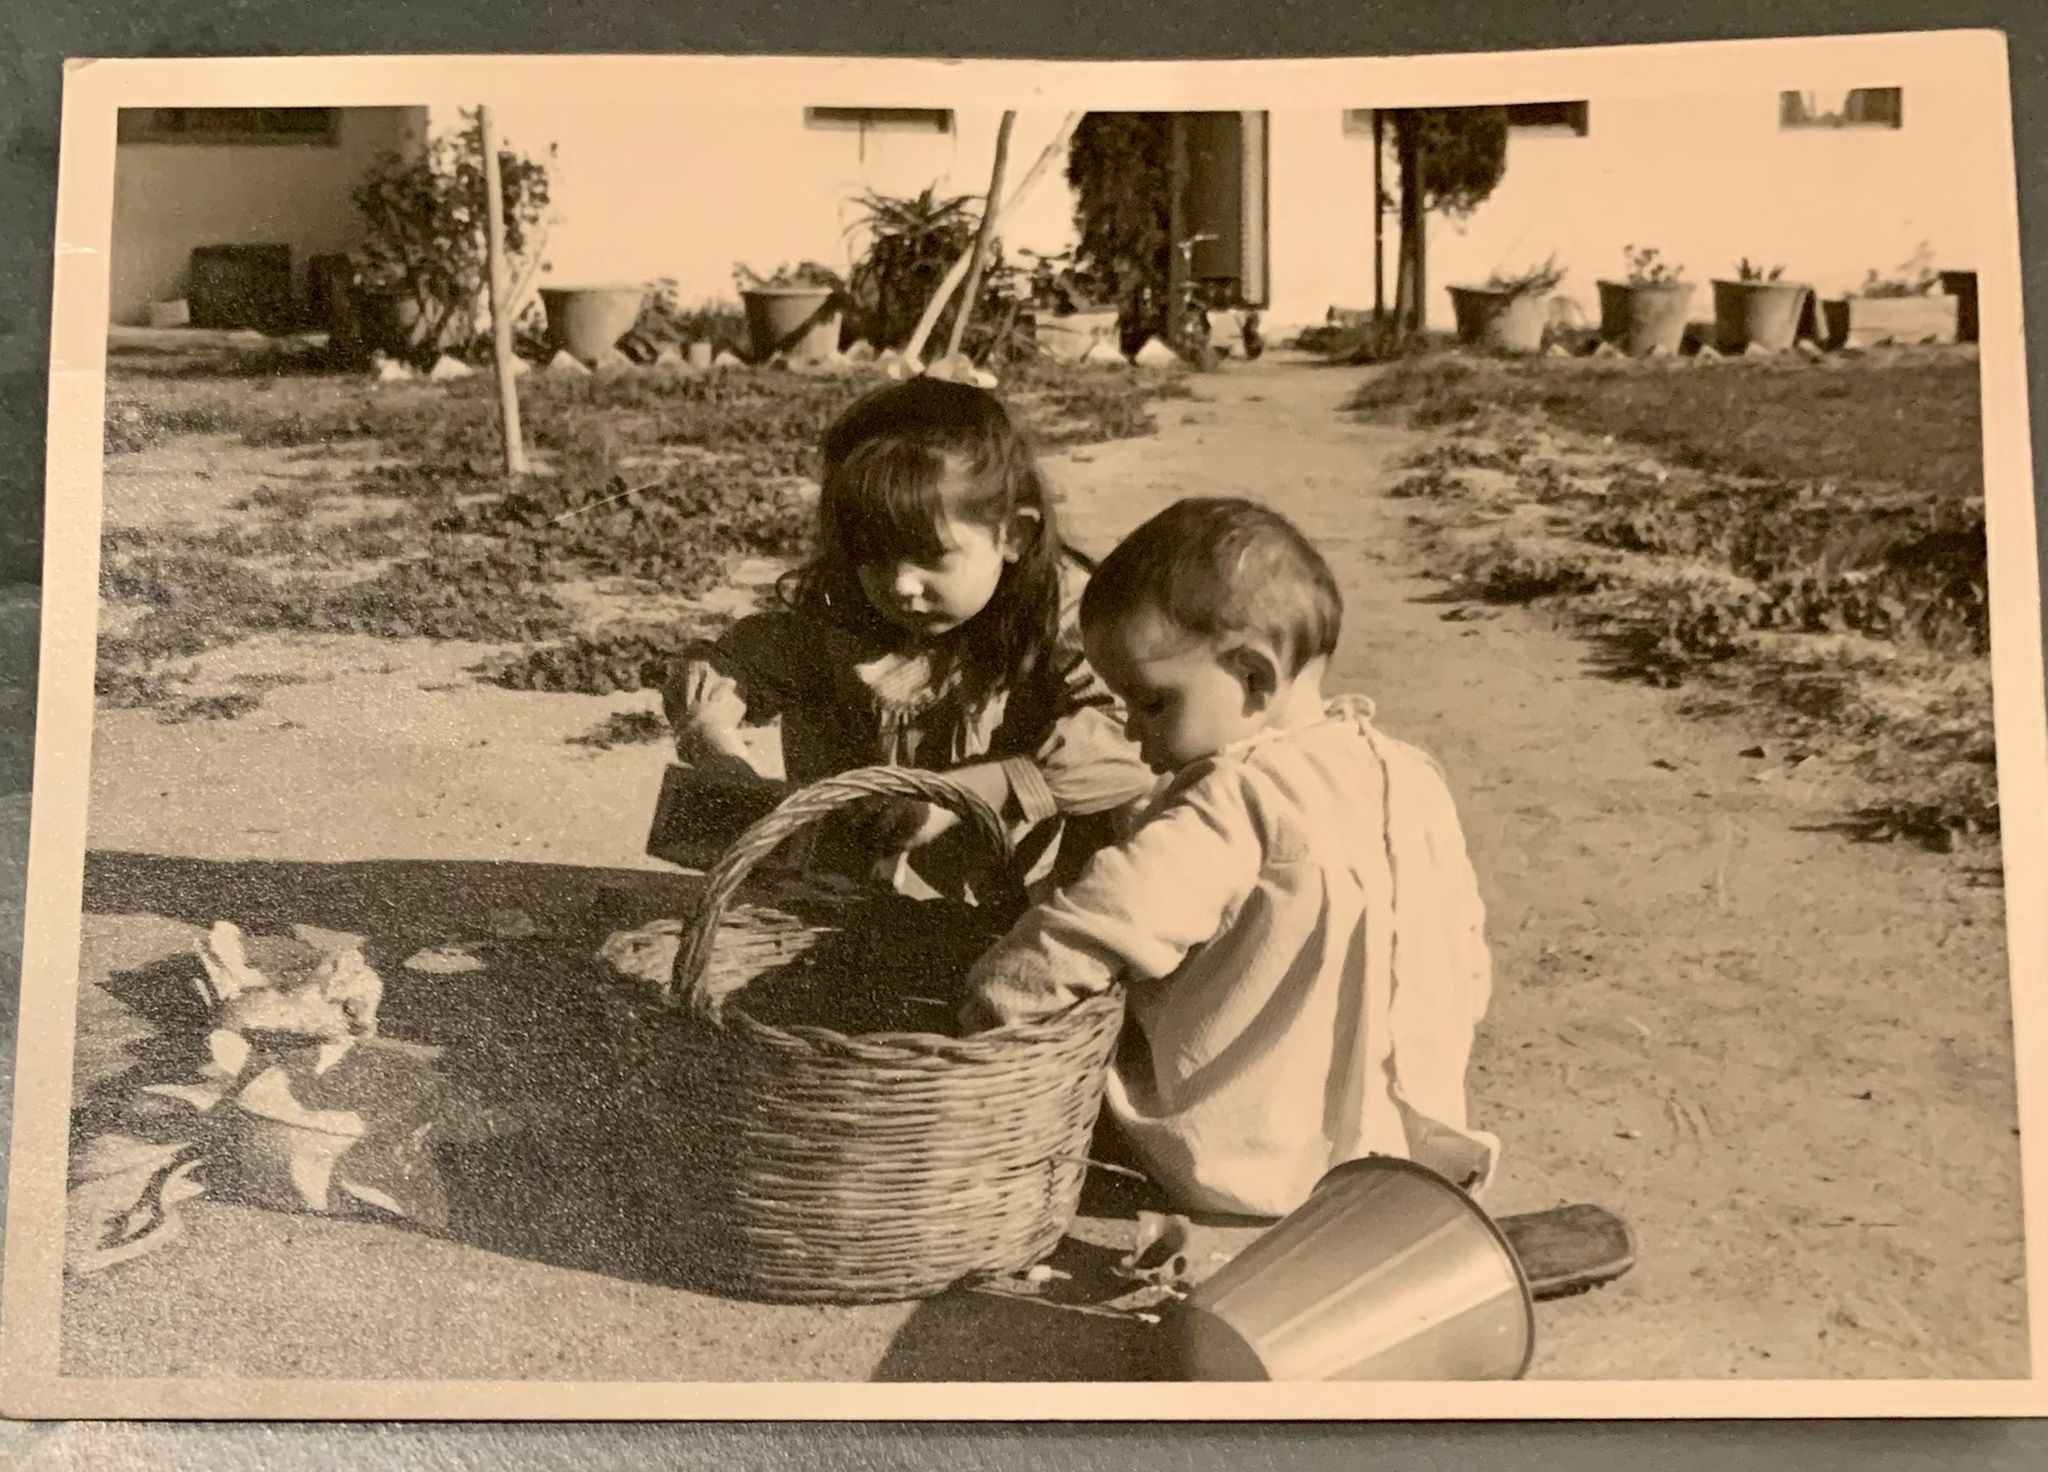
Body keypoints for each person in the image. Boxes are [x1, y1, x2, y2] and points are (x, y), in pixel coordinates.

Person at [960, 497, 1498, 1219]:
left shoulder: (1235, 800)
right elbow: (1466, 961)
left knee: (1101, 1010)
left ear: (1252, 676)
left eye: (1151, 704)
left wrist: (984, 1023)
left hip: (1235, 1158)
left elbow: (1087, 928)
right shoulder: (1411, 776)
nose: (1134, 733)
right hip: (1398, 1153)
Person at [660, 375, 1156, 898]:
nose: (900, 584)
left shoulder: (1067, 613)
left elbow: (1132, 734)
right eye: (873, 555)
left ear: (1014, 535)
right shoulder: (843, 606)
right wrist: (712, 737)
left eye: (929, 554)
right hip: (856, 883)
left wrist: (982, 787)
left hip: (1019, 892)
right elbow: (729, 665)